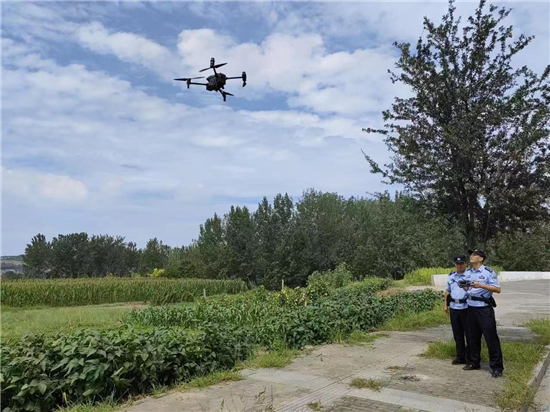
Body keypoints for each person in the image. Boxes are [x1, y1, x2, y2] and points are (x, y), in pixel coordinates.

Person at [463, 249, 504, 378]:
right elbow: (467, 288)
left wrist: (481, 285)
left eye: (474, 255)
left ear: (481, 259)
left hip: (483, 308)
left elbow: (497, 289)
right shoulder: (468, 272)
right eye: (471, 254)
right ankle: (474, 362)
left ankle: (497, 367)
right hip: (471, 307)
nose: (471, 256)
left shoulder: (488, 272)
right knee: (472, 337)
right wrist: (464, 286)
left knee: (490, 338)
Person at [444, 255, 470, 365]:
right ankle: (460, 357)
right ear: (455, 265)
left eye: (461, 263)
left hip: (466, 307)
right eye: (457, 264)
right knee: (457, 334)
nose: (459, 265)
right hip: (454, 307)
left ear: (465, 264)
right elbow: (447, 291)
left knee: (469, 334)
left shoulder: (469, 276)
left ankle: (470, 358)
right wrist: (445, 305)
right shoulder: (451, 276)